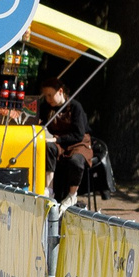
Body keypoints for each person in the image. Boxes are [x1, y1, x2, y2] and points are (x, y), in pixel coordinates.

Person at [39, 78, 96, 208]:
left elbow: (78, 134)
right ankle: (49, 190)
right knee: (48, 148)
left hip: (78, 142)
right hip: (60, 143)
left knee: (76, 161)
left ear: (60, 91)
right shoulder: (46, 107)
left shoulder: (75, 107)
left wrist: (56, 139)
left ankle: (72, 195)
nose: (47, 99)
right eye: (45, 96)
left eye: (50, 95)